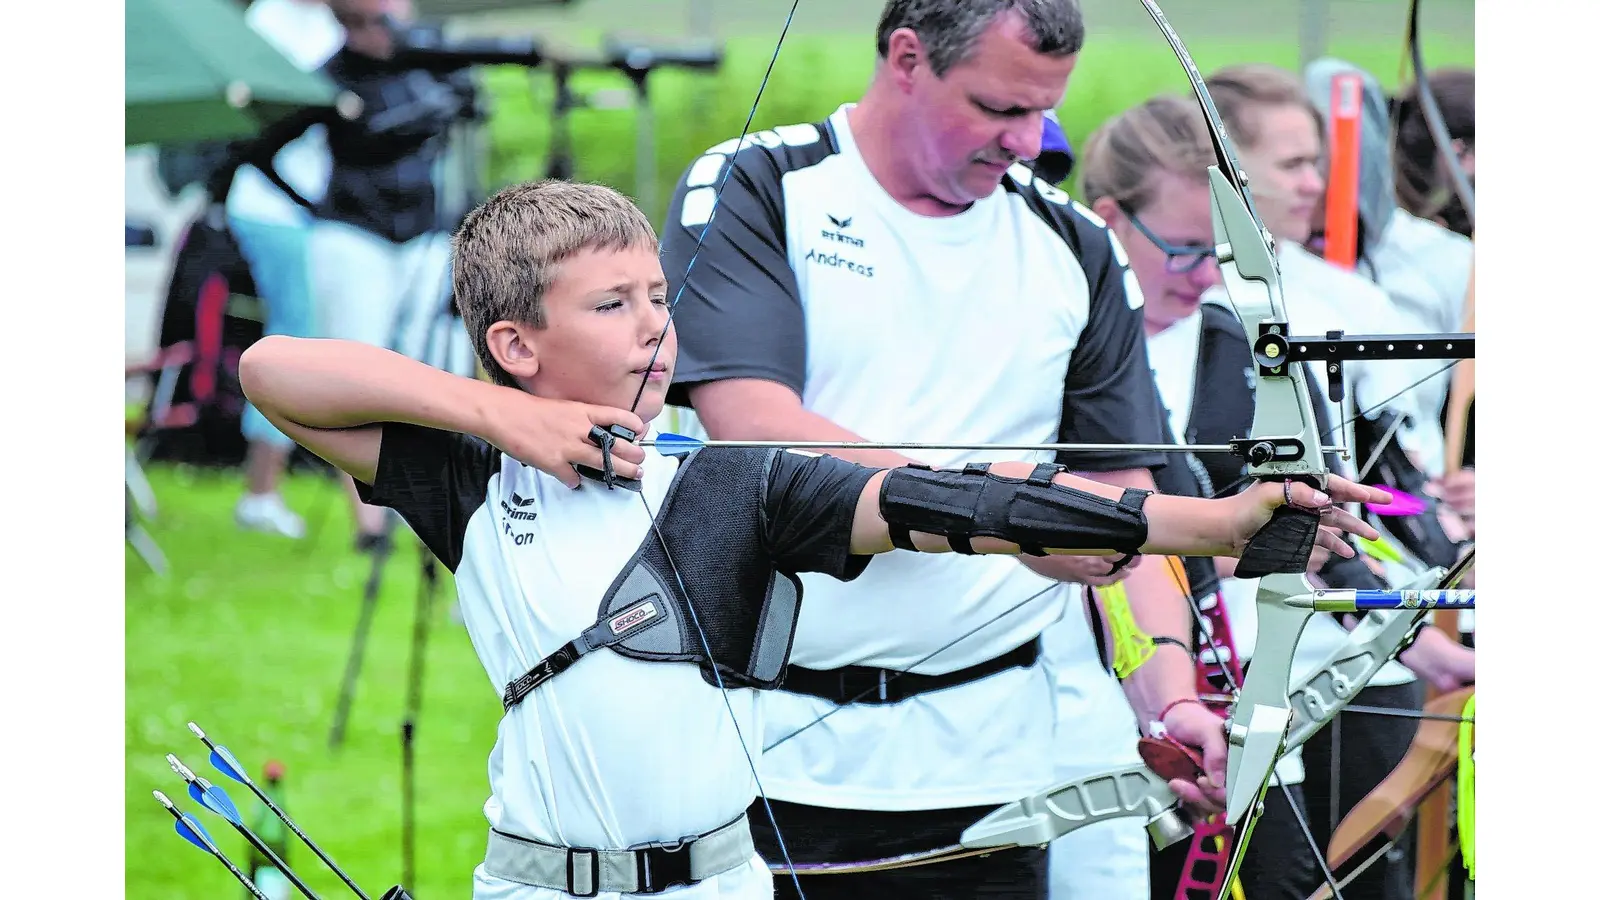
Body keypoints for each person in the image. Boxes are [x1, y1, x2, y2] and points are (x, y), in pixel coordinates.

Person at [236, 177, 1389, 900]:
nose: (653, 327)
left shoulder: (734, 482)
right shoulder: (473, 475)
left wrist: (1219, 521)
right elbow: (274, 372)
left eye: (656, 296)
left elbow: (960, 501)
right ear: (515, 343)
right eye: (611, 306)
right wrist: (508, 419)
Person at [658, 3, 1227, 897]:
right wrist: (1013, 517)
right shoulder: (761, 184)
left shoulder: (1074, 244)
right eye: (1000, 108)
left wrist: (1172, 691)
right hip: (755, 750)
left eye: (1044, 110)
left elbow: (1126, 500)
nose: (1030, 140)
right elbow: (758, 428)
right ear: (908, 58)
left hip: (991, 766)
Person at [1204, 63, 1475, 900]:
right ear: (1229, 171)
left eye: (1317, 160)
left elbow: (1389, 478)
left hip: (1368, 648)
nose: (1318, 184)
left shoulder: (1347, 297)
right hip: (1250, 661)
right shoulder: (1196, 299)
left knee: (1367, 878)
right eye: (1292, 165)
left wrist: (1439, 520)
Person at [231, 0, 476, 552]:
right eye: (365, 22)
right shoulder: (332, 76)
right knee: (357, 374)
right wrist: (314, 208)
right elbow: (257, 149)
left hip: (426, 235)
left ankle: (441, 510)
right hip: (353, 236)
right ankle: (370, 523)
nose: (382, 30)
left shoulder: (429, 66)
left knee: (434, 369)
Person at [226, 0, 344, 538]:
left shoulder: (329, 21)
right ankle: (261, 491)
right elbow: (260, 123)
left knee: (310, 340)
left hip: (313, 214)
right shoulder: (270, 19)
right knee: (290, 341)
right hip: (272, 211)